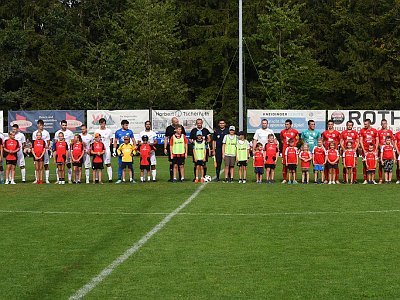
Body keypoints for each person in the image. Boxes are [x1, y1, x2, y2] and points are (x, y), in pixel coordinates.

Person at [113, 120, 135, 184]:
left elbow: (133, 141)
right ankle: (120, 178)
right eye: (126, 125)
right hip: (122, 152)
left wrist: (134, 150)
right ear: (122, 125)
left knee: (131, 166)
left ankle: (132, 179)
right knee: (120, 165)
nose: (127, 126)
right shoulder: (118, 132)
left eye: (127, 125)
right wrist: (114, 150)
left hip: (128, 152)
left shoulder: (130, 131)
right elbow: (115, 141)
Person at [164, 117, 186, 182]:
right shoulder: (168, 128)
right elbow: (166, 138)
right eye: (175, 122)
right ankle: (172, 177)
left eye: (177, 121)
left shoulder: (181, 127)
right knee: (172, 163)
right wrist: (165, 148)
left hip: (180, 148)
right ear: (172, 122)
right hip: (172, 148)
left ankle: (181, 177)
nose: (177, 123)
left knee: (180, 164)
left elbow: (184, 138)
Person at [359, 119, 378, 184]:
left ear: (369, 123)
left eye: (366, 124)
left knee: (373, 165)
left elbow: (377, 140)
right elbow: (361, 140)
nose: (365, 125)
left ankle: (373, 179)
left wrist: (375, 149)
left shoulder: (374, 130)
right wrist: (363, 150)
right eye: (364, 124)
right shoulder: (362, 130)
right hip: (365, 150)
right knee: (365, 165)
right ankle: (365, 179)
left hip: (372, 150)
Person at [32, 119, 51, 183]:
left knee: (45, 165)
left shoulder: (46, 132)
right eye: (40, 125)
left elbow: (48, 141)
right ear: (37, 125)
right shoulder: (34, 133)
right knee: (36, 166)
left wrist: (45, 148)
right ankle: (37, 179)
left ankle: (46, 179)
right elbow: (34, 143)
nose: (41, 126)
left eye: (42, 125)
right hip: (36, 152)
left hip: (44, 151)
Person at [95, 118, 113, 182]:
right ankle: (97, 179)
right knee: (97, 163)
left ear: (105, 123)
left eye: (103, 123)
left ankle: (110, 179)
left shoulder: (109, 131)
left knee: (108, 163)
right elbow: (95, 140)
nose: (102, 124)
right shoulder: (97, 131)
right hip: (98, 149)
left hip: (107, 149)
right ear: (99, 124)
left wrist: (107, 146)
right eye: (101, 123)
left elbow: (111, 140)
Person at [377, 119, 394, 184]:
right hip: (382, 150)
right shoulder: (379, 132)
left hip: (388, 150)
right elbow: (377, 141)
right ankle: (381, 179)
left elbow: (392, 140)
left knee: (389, 167)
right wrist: (379, 146)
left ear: (387, 124)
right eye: (382, 123)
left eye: (385, 123)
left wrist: (393, 147)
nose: (384, 125)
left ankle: (389, 180)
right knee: (381, 165)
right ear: (381, 124)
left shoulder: (390, 131)